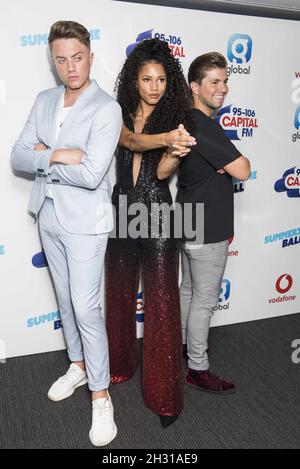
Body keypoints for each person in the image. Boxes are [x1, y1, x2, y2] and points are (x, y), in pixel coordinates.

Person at [11, 20, 122, 446]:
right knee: (64, 299)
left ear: (90, 57)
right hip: (48, 214)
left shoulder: (106, 108)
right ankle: (77, 365)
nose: (70, 67)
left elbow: (94, 174)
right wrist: (60, 154)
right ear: (53, 62)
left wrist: (45, 155)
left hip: (85, 223)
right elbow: (19, 157)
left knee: (86, 308)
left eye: (77, 57)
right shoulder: (43, 100)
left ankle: (100, 394)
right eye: (61, 60)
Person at [105, 38, 193, 428]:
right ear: (134, 81)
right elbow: (129, 141)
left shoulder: (175, 119)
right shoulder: (119, 114)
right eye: (146, 79)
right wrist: (167, 140)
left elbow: (160, 174)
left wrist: (176, 151)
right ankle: (117, 366)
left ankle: (164, 395)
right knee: (119, 291)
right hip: (123, 207)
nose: (154, 87)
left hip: (156, 210)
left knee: (161, 299)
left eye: (160, 80)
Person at [157, 52, 250, 393]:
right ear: (195, 87)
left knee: (190, 291)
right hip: (207, 225)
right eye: (215, 81)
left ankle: (183, 347)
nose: (223, 87)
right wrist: (230, 164)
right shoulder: (202, 124)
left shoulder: (191, 123)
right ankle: (198, 367)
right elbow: (244, 169)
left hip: (189, 220)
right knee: (204, 299)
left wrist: (227, 164)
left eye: (225, 80)